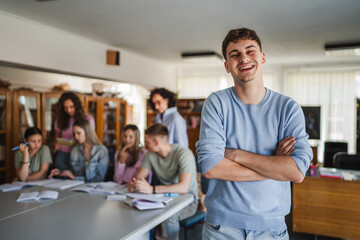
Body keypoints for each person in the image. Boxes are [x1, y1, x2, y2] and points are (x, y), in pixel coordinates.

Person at [196, 28, 313, 240]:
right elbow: (211, 167)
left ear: (263, 57)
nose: (244, 58)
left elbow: (296, 172)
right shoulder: (217, 103)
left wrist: (238, 155)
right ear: (227, 65)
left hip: (272, 230)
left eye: (250, 51)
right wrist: (275, 165)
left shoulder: (288, 108)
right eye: (235, 54)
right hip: (221, 229)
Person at [128, 124, 198, 240]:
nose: (145, 146)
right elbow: (139, 177)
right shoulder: (150, 154)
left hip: (188, 200)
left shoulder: (184, 154)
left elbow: (184, 187)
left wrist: (152, 189)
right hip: (163, 198)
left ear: (156, 142)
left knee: (169, 216)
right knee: (137, 209)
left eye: (147, 142)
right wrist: (134, 184)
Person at [54, 92, 95, 170]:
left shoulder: (87, 119)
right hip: (64, 153)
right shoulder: (60, 120)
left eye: (71, 107)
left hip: (80, 153)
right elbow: (57, 138)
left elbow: (91, 138)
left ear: (77, 105)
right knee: (60, 175)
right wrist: (56, 144)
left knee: (76, 177)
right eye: (65, 108)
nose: (68, 110)